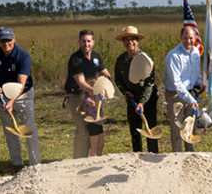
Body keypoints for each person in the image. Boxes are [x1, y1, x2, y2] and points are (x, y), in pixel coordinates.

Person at [0, 26, 41, 173]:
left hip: (22, 96)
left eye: (8, 40)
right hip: (4, 96)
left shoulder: (23, 56)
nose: (6, 43)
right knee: (10, 131)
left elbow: (21, 84)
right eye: (3, 40)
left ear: (14, 39)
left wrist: (11, 102)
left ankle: (36, 165)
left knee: (28, 129)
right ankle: (17, 163)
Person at [64, 29, 111, 159]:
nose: (86, 44)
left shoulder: (96, 57)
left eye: (89, 41)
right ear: (79, 42)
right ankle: (78, 160)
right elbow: (81, 83)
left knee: (93, 127)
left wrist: (106, 84)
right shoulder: (76, 59)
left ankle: (92, 157)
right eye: (83, 41)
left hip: (92, 96)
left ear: (93, 42)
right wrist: (96, 90)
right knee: (82, 129)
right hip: (77, 96)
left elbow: (106, 74)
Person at [114, 26, 159, 153]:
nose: (130, 42)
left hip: (148, 99)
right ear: (123, 42)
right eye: (126, 40)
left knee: (150, 128)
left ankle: (153, 155)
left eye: (133, 39)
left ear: (137, 41)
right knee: (134, 130)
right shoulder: (120, 60)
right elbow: (118, 79)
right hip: (131, 99)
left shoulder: (145, 60)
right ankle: (137, 156)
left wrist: (142, 102)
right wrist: (124, 92)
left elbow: (149, 84)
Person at [164, 26, 206, 152]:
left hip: (191, 92)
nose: (188, 41)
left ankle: (190, 155)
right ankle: (178, 156)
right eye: (185, 38)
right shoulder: (173, 56)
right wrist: (191, 99)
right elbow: (176, 83)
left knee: (190, 126)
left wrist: (199, 83)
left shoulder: (196, 52)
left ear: (195, 38)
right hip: (175, 95)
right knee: (177, 128)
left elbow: (195, 73)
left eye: (191, 38)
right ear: (180, 38)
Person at [78, 87, 105, 156]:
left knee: (101, 144)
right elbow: (94, 104)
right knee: (94, 146)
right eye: (91, 91)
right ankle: (92, 159)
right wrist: (98, 100)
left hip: (99, 123)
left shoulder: (98, 97)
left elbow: (100, 106)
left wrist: (102, 98)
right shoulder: (87, 99)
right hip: (92, 124)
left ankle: (99, 158)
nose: (93, 93)